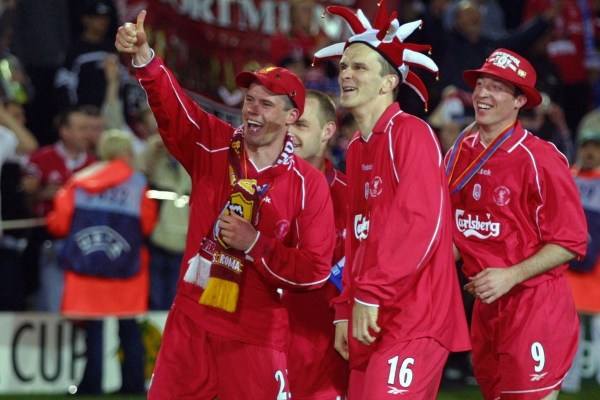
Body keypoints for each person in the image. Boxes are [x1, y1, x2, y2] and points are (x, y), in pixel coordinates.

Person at [115, 10, 335, 399]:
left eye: (266, 104)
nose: (252, 110)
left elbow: (315, 271)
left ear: (292, 116)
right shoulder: (213, 145)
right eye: (249, 100)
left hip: (256, 336)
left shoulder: (308, 184)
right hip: (192, 324)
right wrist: (146, 59)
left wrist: (256, 244)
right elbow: (174, 109)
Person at [313, 2, 471, 398]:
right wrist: (344, 308)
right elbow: (357, 237)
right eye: (343, 66)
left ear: (388, 83)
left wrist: (369, 294)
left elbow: (422, 226)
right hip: (371, 316)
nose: (345, 74)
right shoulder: (357, 147)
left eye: (359, 67)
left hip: (413, 317)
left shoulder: (411, 133)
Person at [445, 48, 588, 400]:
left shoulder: (541, 158)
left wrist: (510, 275)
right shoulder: (460, 151)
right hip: (487, 306)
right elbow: (452, 231)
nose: (482, 93)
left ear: (520, 100)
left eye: (496, 87)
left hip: (533, 304)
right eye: (480, 84)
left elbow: (571, 241)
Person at [46, 129, 157, 394]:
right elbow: (147, 224)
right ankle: (133, 384)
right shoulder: (138, 183)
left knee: (93, 326)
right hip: (126, 267)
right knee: (128, 326)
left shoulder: (79, 181)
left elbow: (59, 224)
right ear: (126, 153)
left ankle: (91, 384)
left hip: (87, 268)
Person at [285, 89, 348, 399]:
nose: (289, 133)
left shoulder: (351, 197)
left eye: (301, 125)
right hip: (260, 349)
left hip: (324, 358)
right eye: (287, 123)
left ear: (327, 131)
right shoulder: (253, 187)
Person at [563, 127, 600, 393]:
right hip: (568, 265)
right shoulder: (568, 177)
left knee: (598, 326)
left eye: (595, 148)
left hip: (597, 269)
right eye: (586, 146)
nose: (589, 152)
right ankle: (569, 380)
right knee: (569, 325)